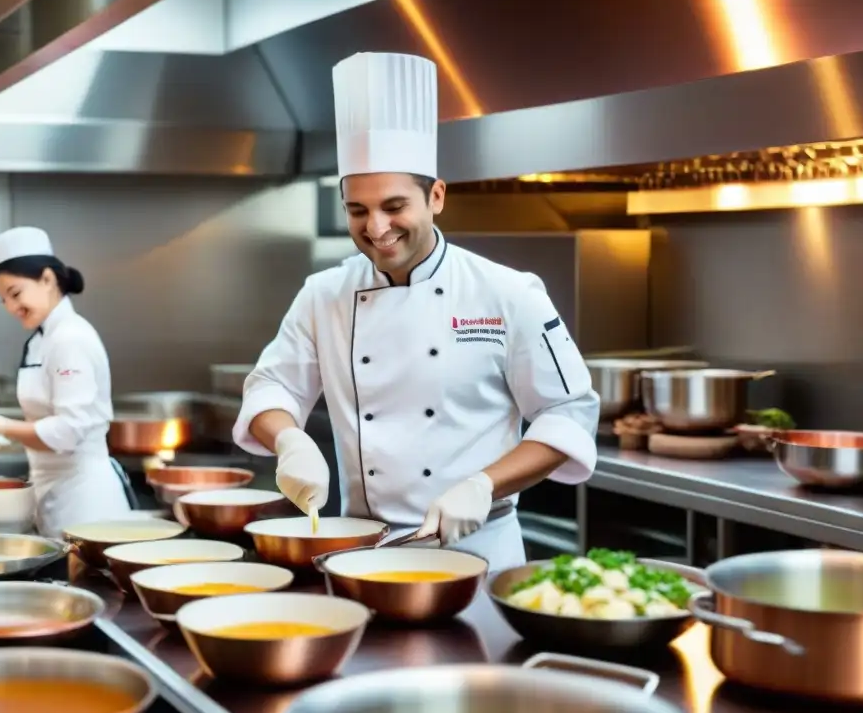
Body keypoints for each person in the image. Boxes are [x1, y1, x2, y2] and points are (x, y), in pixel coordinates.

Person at [232, 52, 600, 571]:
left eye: (395, 206)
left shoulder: (507, 292)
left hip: (478, 551)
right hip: (363, 553)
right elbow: (270, 388)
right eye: (357, 210)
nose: (377, 227)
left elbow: (568, 415)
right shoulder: (325, 294)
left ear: (437, 196)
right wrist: (289, 438)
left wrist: (482, 485)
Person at [0, 226, 132, 537]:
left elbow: (69, 431)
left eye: (15, 294)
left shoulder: (70, 338)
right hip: (52, 491)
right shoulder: (43, 338)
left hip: (87, 501)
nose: (11, 308)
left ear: (47, 279)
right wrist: (0, 431)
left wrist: (2, 427)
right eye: (3, 301)